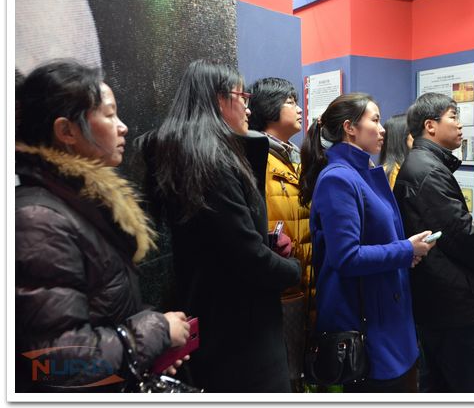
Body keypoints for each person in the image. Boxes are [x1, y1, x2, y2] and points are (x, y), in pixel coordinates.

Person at [15, 59, 190, 392]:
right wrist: (156, 330)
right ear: (66, 131)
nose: (122, 127)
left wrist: (149, 351)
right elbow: (53, 363)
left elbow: (103, 311)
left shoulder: (78, 201)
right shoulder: (37, 221)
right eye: (109, 115)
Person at [139, 60, 301, 392]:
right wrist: (293, 269)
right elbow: (243, 254)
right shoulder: (211, 162)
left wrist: (266, 242)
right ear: (219, 100)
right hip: (240, 329)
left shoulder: (195, 156)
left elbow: (221, 240)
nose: (247, 107)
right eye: (242, 96)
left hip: (220, 319)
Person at [299, 93, 436, 393]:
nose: (382, 128)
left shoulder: (361, 173)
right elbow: (346, 257)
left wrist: (406, 253)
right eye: (374, 120)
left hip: (385, 316)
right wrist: (405, 249)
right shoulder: (338, 179)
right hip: (367, 324)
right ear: (350, 128)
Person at [393, 92, 474, 393]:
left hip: (436, 294)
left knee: (439, 381)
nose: (460, 125)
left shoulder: (422, 164)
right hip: (448, 299)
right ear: (430, 125)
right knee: (471, 385)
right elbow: (458, 230)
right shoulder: (428, 170)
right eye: (453, 117)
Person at [246, 76, 311, 391]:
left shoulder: (294, 157)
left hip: (304, 282)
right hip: (279, 289)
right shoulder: (256, 160)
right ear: (269, 108)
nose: (299, 109)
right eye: (290, 102)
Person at [378, 113, 413, 189]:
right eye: (413, 132)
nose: (418, 136)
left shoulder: (405, 167)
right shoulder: (392, 172)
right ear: (401, 136)